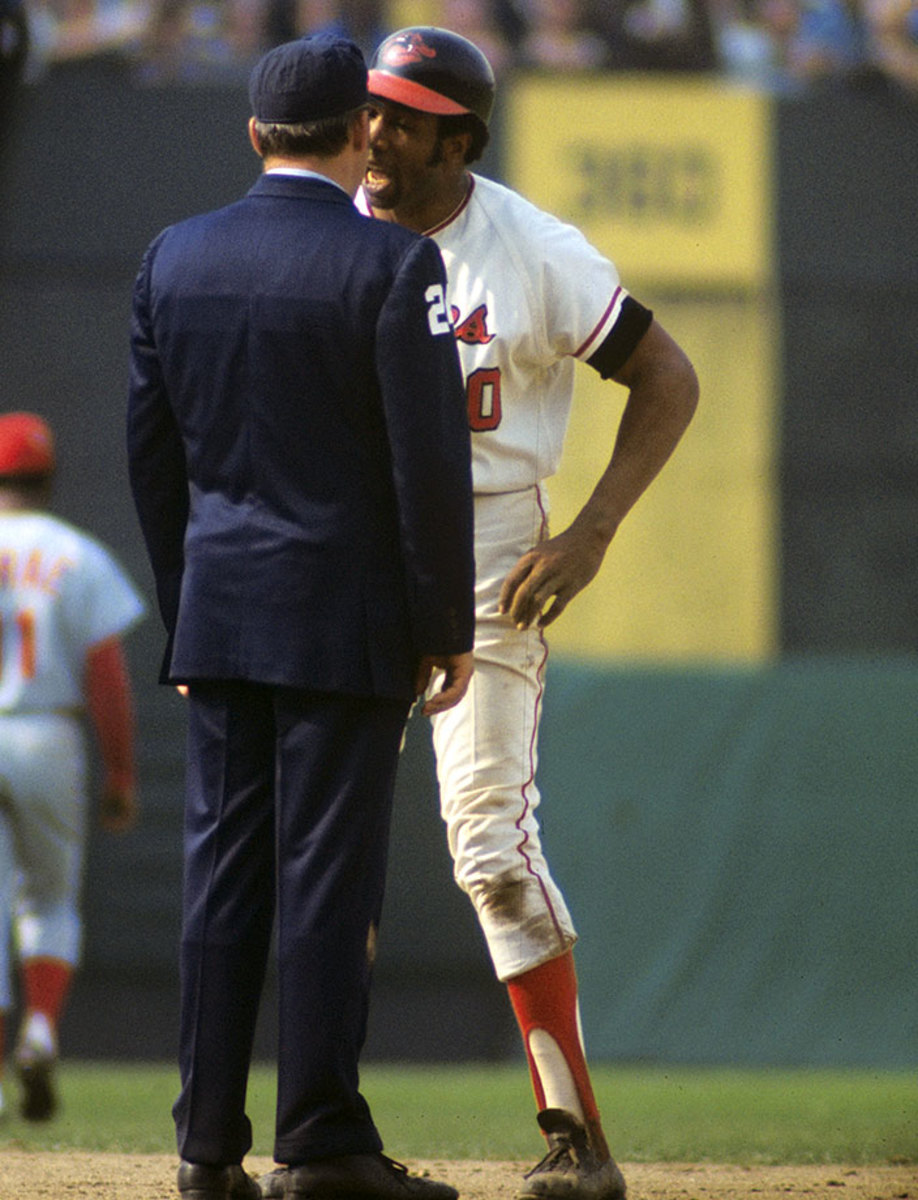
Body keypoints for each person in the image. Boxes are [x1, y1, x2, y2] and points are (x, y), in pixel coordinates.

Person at [127, 31, 476, 1200]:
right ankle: (320, 1140)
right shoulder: (394, 266)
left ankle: (204, 1147)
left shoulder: (172, 257)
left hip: (220, 619)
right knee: (326, 880)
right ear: (363, 131)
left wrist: (187, 616)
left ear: (253, 134)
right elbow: (429, 466)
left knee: (220, 876)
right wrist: (445, 623)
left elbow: (153, 460)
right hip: (344, 622)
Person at [358, 25, 698, 1200]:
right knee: (319, 847)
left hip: (490, 553)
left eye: (405, 118)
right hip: (350, 553)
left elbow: (668, 375)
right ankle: (317, 1127)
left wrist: (593, 529)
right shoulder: (332, 228)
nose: (377, 131)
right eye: (372, 108)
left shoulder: (533, 250)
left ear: (460, 142)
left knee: (492, 854)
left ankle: (577, 1137)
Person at [0, 411, 144, 1123]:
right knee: (50, 901)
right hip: (48, 734)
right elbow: (107, 676)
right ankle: (40, 1030)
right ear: (49, 477)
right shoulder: (76, 552)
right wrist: (120, 774)